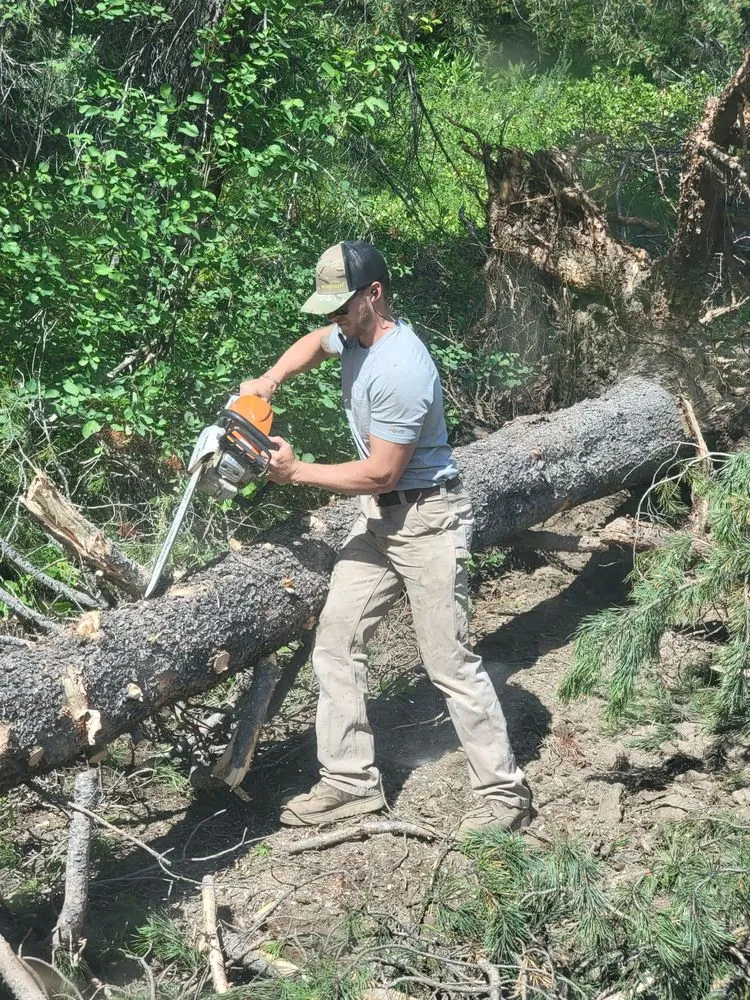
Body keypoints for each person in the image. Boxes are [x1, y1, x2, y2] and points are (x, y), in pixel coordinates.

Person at [240, 241, 532, 834]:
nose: (334, 320)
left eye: (342, 307)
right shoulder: (350, 332)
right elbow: (313, 346)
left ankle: (505, 794)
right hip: (378, 519)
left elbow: (381, 472)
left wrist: (295, 473)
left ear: (374, 295)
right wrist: (269, 380)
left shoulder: (401, 368)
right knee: (336, 642)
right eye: (329, 310)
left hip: (425, 519)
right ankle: (351, 783)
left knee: (448, 663)